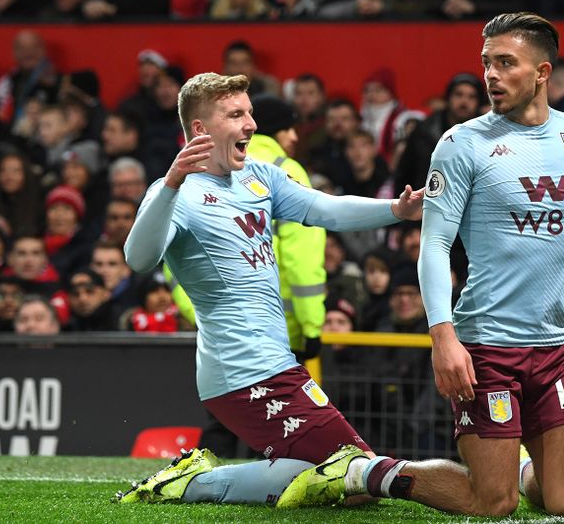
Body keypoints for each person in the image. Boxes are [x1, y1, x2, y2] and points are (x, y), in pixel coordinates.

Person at [116, 71, 423, 507]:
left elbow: (323, 209)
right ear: (201, 130)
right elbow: (138, 259)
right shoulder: (175, 193)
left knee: (346, 481)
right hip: (241, 369)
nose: (251, 124)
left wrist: (395, 209)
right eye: (236, 114)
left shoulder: (259, 176)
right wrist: (170, 184)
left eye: (251, 113)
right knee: (354, 474)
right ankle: (191, 485)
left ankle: (195, 479)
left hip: (275, 360)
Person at [414, 12, 564, 516]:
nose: (491, 75)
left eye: (505, 63)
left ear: (542, 72)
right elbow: (433, 245)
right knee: (493, 503)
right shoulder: (461, 144)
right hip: (485, 346)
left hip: (557, 347)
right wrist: (443, 336)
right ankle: (375, 473)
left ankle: (523, 469)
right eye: (486, 64)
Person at [247, 93, 327, 361]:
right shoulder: (286, 172)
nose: (294, 137)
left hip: (222, 332)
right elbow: (301, 257)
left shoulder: (212, 168)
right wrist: (312, 327)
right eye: (287, 128)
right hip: (279, 334)